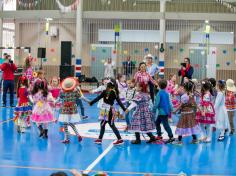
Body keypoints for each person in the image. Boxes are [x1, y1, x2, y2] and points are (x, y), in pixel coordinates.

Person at [89, 80, 126, 145]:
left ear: (108, 86)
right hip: (109, 110)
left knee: (106, 124)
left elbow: (98, 98)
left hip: (107, 111)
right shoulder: (115, 92)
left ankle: (118, 139)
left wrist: (91, 103)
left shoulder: (105, 91)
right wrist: (124, 109)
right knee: (106, 124)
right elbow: (119, 102)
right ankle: (100, 139)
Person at [58, 77, 85, 144]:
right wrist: (88, 101)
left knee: (65, 123)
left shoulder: (62, 91)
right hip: (72, 109)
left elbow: (60, 98)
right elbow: (80, 97)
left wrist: (55, 101)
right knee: (71, 123)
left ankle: (67, 138)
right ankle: (78, 134)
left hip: (65, 109)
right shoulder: (75, 90)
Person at [153, 79, 175, 144]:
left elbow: (156, 103)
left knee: (166, 125)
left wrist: (153, 110)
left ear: (159, 86)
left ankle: (171, 137)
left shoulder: (159, 94)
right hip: (165, 111)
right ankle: (159, 135)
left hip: (162, 112)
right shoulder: (167, 93)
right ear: (166, 86)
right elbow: (170, 102)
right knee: (157, 123)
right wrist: (172, 109)